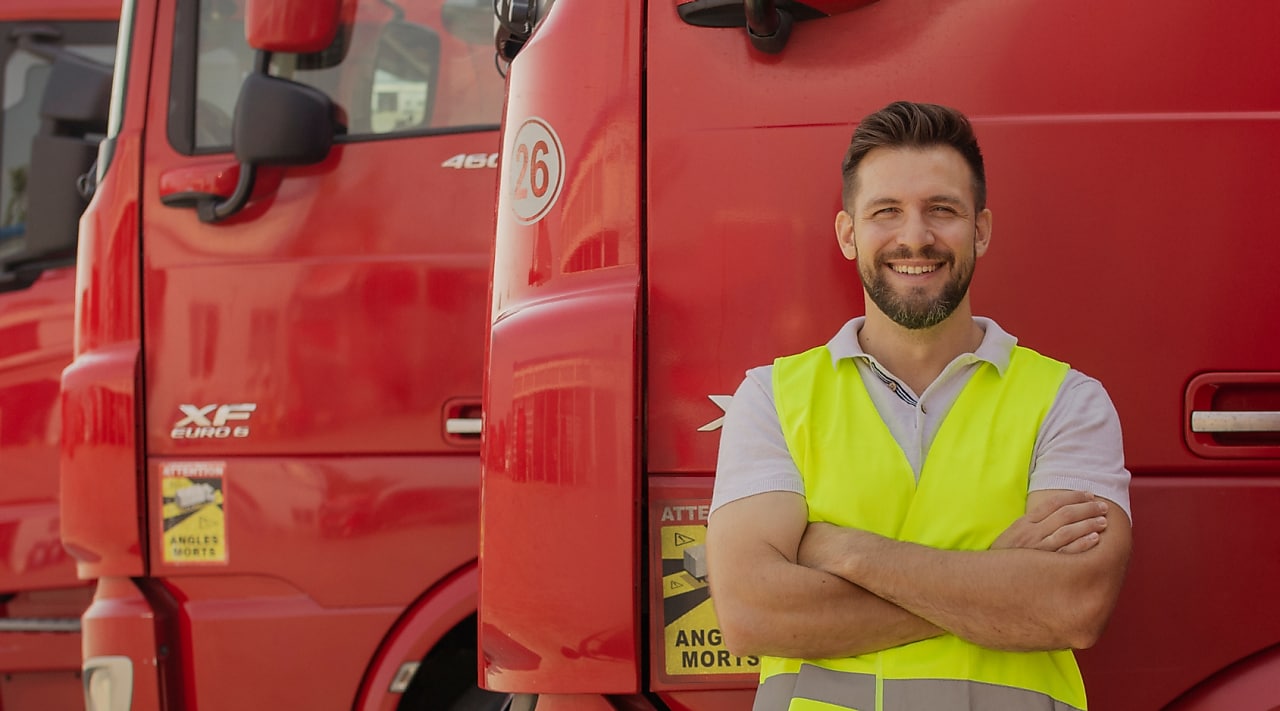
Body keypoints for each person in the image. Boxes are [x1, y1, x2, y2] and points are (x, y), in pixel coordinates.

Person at [705, 101, 1132, 711]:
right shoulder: (772, 399)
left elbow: (1073, 605)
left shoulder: (1068, 402)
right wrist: (996, 583)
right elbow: (753, 612)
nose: (915, 237)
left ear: (980, 229)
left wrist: (846, 552)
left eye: (942, 210)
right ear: (848, 234)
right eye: (886, 212)